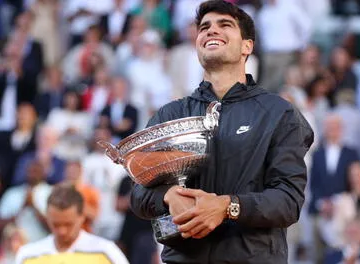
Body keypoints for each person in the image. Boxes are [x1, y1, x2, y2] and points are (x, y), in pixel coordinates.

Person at [130, 1, 314, 263]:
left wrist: (228, 207)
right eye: (204, 27)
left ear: (247, 46)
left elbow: (288, 201)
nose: (211, 30)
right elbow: (138, 193)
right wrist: (169, 196)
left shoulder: (278, 113)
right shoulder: (170, 115)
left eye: (224, 25)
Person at [15, 184, 129, 264]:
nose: (62, 231)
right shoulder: (27, 255)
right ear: (48, 217)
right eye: (56, 224)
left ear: (82, 217)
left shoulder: (106, 251)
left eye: (68, 224)